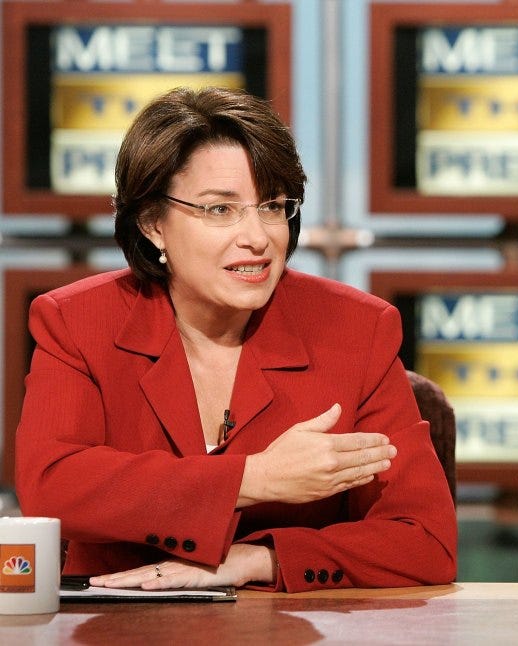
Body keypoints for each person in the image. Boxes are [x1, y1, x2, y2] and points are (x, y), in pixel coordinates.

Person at [15, 87, 456, 592]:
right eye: (220, 210)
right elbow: (52, 488)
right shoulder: (77, 322)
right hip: (113, 620)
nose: (258, 237)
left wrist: (258, 560)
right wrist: (256, 479)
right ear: (152, 223)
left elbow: (425, 542)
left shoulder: (357, 330)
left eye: (271, 206)